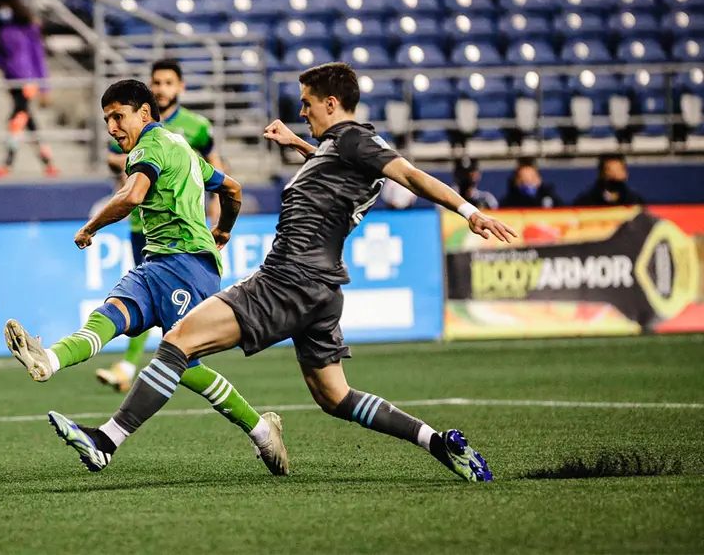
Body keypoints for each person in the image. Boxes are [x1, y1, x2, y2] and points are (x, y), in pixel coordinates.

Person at [45, 63, 518, 481]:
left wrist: (467, 210)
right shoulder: (341, 150)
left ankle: (106, 441)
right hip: (324, 289)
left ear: (332, 103)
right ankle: (439, 443)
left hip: (288, 278)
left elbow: (410, 174)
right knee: (334, 397)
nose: (303, 111)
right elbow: (339, 173)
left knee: (178, 342)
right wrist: (297, 144)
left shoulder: (355, 138)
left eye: (307, 104)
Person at [3, 79, 288, 475]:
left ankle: (257, 430)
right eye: (106, 120)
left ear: (144, 113)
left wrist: (90, 227)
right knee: (112, 314)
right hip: (157, 264)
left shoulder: (149, 147)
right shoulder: (183, 150)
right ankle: (49, 359)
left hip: (187, 267)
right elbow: (233, 188)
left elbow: (132, 195)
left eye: (118, 117)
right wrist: (223, 230)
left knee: (179, 361)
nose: (112, 128)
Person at [96, 59, 227, 394]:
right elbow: (115, 156)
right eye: (157, 82)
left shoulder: (195, 126)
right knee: (142, 294)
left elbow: (214, 167)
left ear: (180, 87)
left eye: (169, 83)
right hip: (143, 224)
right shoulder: (130, 123)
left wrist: (214, 207)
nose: (162, 88)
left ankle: (156, 362)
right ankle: (139, 363)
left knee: (157, 298)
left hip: (182, 226)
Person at [0, 0, 57, 176]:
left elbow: (38, 57)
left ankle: (7, 164)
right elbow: (3, 58)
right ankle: (48, 163)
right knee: (30, 124)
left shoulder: (29, 28)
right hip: (12, 83)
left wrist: (44, 86)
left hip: (28, 82)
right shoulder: (2, 30)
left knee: (16, 122)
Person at [573, 154, 647, 206]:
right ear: (601, 174)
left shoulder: (635, 201)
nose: (614, 176)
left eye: (618, 170)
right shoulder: (586, 202)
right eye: (610, 171)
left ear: (625, 174)